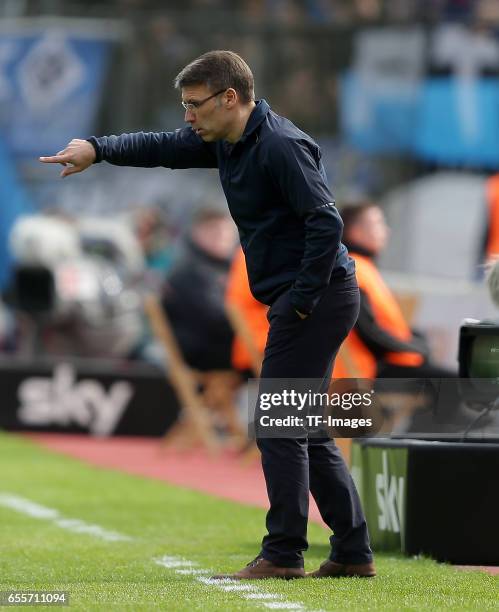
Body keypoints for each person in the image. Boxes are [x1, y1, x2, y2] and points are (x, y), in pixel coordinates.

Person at [40, 50, 374, 580]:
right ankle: (353, 552)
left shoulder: (281, 147)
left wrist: (301, 299)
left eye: (195, 105)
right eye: (185, 106)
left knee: (279, 424)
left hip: (319, 297)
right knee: (303, 428)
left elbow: (326, 223)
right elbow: (160, 147)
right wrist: (97, 148)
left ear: (231, 99)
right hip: (310, 296)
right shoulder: (229, 140)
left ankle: (285, 553)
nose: (188, 117)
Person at [162, 208, 237, 371]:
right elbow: (216, 319)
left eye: (227, 230)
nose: (222, 235)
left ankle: (290, 395)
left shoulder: (228, 268)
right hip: (204, 351)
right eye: (214, 230)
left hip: (225, 346)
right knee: (283, 354)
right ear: (196, 232)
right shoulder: (192, 271)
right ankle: (288, 395)